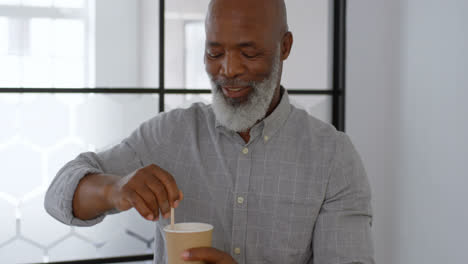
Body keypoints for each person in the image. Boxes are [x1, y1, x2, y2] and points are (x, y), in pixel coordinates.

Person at [45, 0, 374, 263]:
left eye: (249, 53)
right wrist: (114, 189)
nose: (228, 70)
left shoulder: (333, 158)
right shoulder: (168, 134)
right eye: (214, 53)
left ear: (284, 46)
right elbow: (58, 197)